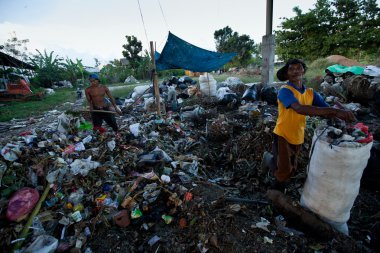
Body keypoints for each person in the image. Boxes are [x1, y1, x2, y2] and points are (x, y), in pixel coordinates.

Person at [262, 59, 356, 192]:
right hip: (283, 133)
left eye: (298, 68)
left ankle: (269, 159)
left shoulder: (311, 93)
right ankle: (276, 192)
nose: (295, 71)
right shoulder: (285, 91)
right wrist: (335, 111)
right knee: (285, 169)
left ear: (303, 71)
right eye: (291, 69)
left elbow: (325, 109)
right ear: (287, 74)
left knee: (293, 165)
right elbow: (299, 108)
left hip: (298, 133)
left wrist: (340, 115)